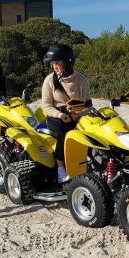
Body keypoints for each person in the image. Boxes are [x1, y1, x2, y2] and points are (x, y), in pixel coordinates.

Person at [40, 44, 90, 183]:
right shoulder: (49, 80)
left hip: (76, 115)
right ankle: (61, 169)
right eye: (53, 63)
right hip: (55, 116)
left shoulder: (81, 80)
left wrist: (79, 115)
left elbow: (88, 105)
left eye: (57, 62)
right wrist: (61, 115)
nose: (54, 66)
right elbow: (47, 106)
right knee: (64, 134)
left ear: (68, 62)